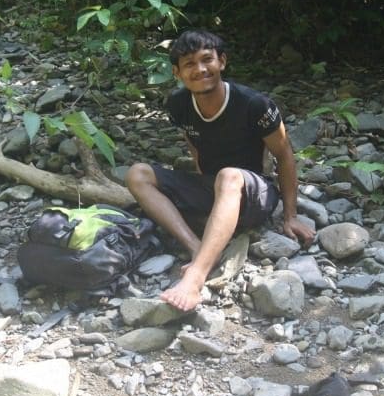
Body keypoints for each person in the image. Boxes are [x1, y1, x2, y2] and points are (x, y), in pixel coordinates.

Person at [126, 29, 316, 311]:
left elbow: (285, 155)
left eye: (207, 60)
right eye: (189, 64)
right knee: (137, 173)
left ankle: (195, 277)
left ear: (222, 62)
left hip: (256, 193)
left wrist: (291, 216)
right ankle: (197, 247)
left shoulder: (255, 104)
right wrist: (202, 186)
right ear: (177, 73)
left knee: (229, 175)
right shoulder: (178, 105)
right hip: (214, 187)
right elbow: (194, 145)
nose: (200, 69)